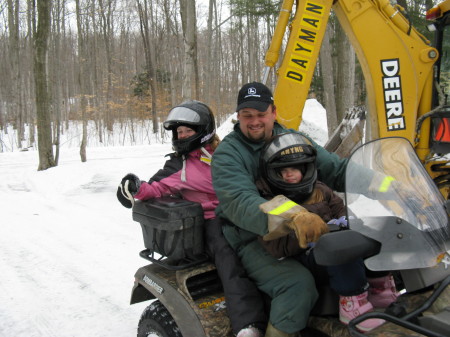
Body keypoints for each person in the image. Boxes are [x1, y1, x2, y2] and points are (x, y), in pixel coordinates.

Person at [211, 81, 376, 337]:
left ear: (273, 112)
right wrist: (294, 215)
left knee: (370, 244)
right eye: (247, 116)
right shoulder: (228, 154)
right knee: (296, 285)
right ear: (238, 116)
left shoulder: (292, 139)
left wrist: (386, 185)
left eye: (261, 114)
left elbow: (335, 169)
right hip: (252, 234)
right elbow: (239, 202)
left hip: (306, 223)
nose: (255, 121)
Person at [116, 100, 267, 337]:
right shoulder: (178, 164)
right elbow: (154, 188)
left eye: (188, 130)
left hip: (244, 211)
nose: (183, 135)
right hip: (212, 220)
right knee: (228, 257)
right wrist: (133, 187)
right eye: (179, 131)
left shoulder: (225, 152)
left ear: (204, 131)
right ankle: (248, 325)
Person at [256, 132, 399, 332]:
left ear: (306, 168)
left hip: (328, 249)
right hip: (305, 254)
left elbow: (341, 211)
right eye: (282, 171)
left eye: (294, 169)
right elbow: (275, 245)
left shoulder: (321, 190)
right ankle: (352, 304)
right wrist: (306, 235)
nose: (288, 174)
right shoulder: (271, 202)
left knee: (370, 231)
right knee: (339, 248)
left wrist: (345, 224)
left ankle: (379, 286)